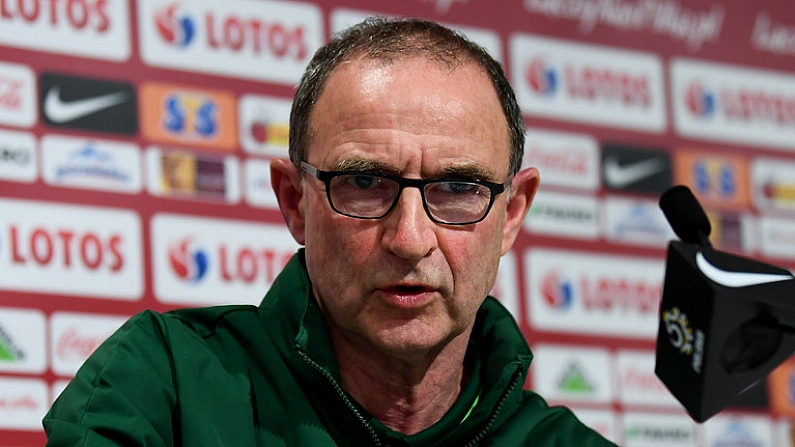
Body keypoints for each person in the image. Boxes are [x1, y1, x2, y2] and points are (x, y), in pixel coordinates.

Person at [43, 17, 618, 446]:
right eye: (365, 182)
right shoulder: (164, 386)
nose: (411, 238)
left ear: (512, 214)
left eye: (458, 188)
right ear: (294, 201)